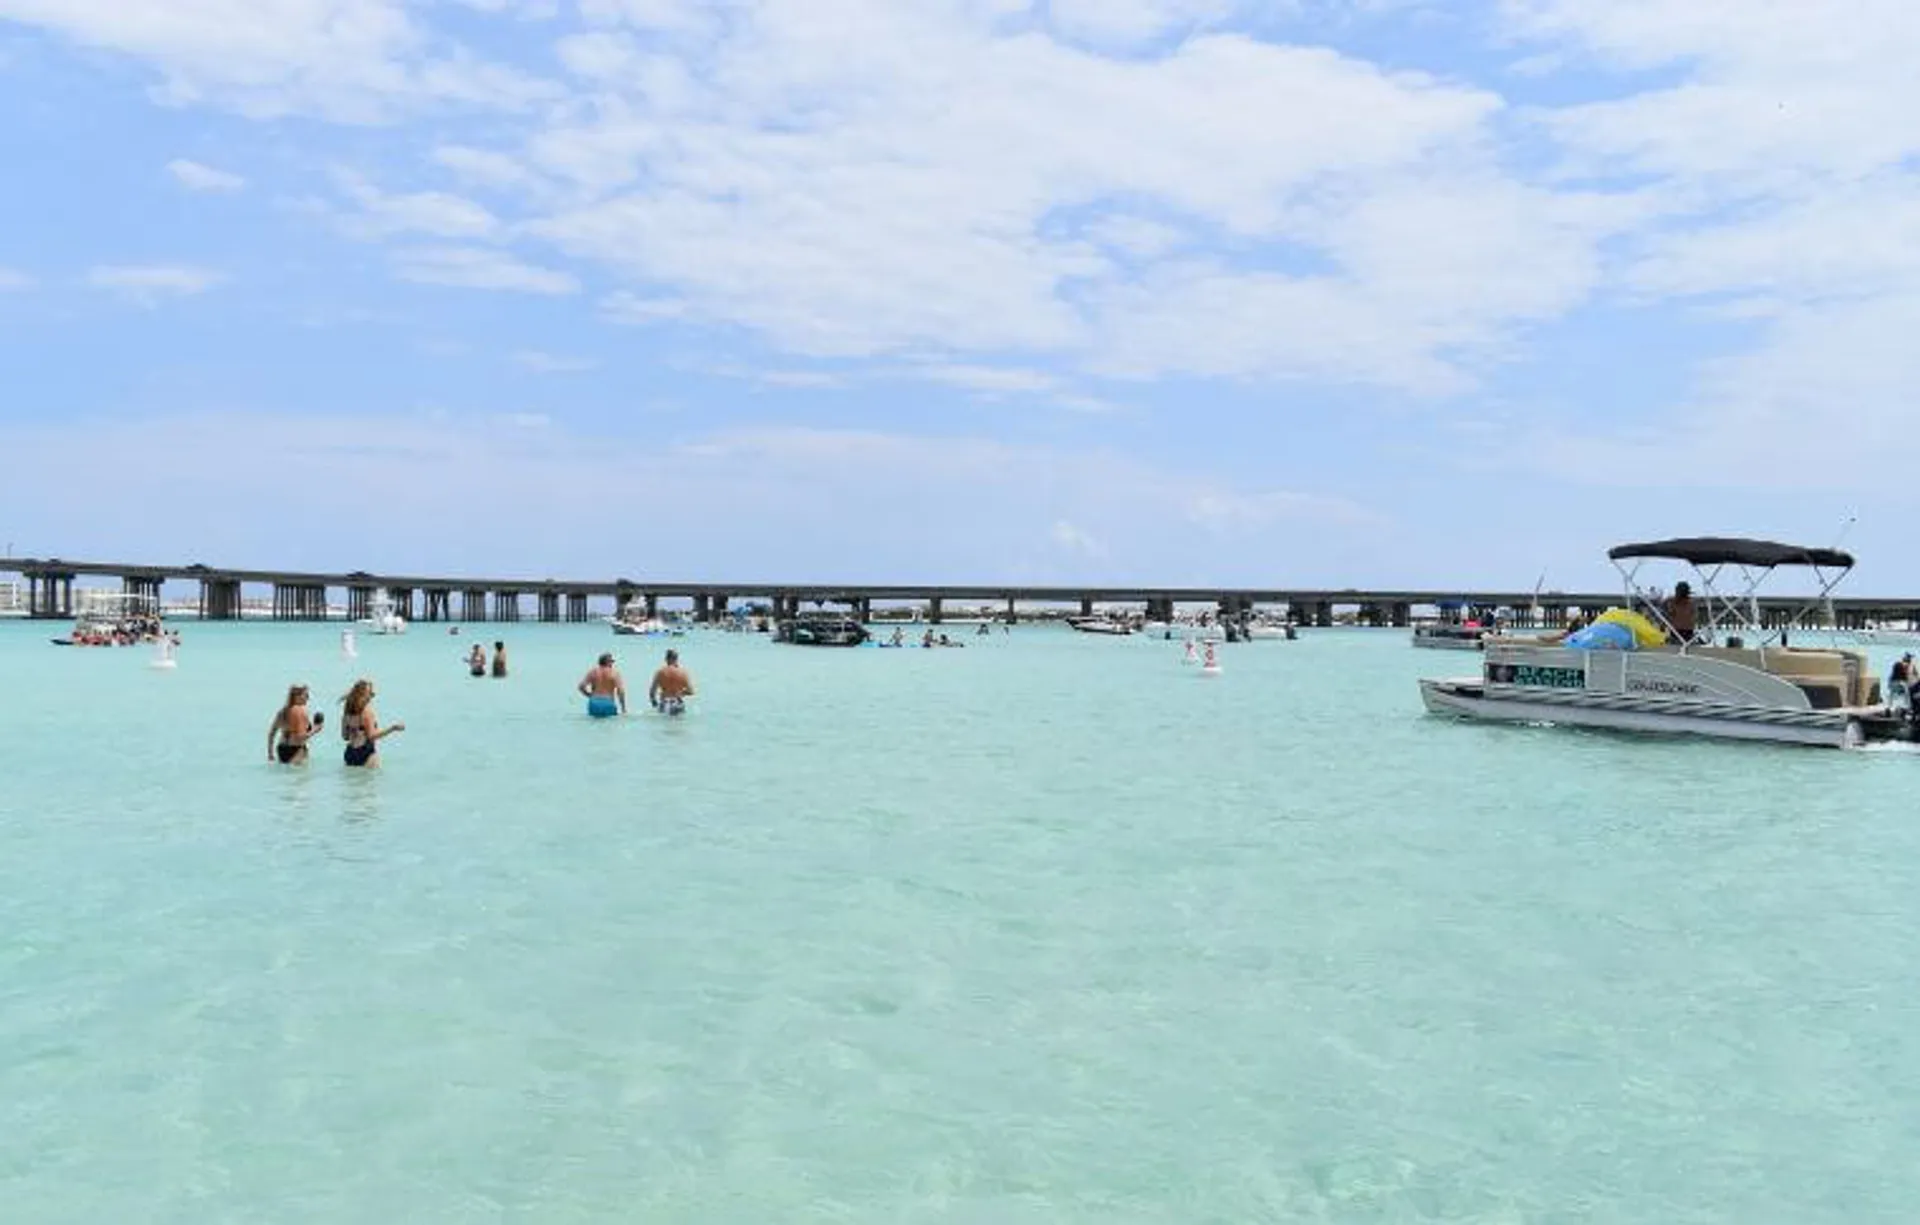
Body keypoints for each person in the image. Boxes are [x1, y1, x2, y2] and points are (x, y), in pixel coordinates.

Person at [339, 678, 403, 768]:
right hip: (366, 752)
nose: (373, 695)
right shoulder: (367, 712)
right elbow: (372, 736)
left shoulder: (347, 713)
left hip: (350, 753)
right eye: (370, 693)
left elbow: (345, 737)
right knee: (371, 781)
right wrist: (392, 728)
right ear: (363, 695)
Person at [266, 684, 323, 765]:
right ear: (297, 696)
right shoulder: (300, 711)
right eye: (306, 695)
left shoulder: (282, 712)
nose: (308, 698)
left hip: (281, 749)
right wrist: (316, 729)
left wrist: (270, 753)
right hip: (296, 750)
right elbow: (300, 737)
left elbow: (271, 733)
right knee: (300, 776)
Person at [649, 648, 695, 716]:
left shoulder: (660, 672)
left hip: (665, 702)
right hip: (677, 702)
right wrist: (680, 693)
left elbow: (652, 693)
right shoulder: (683, 673)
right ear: (676, 659)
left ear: (666, 659)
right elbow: (691, 691)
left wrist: (654, 703)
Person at [580, 652, 626, 718]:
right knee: (610, 725)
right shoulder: (614, 673)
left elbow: (581, 686)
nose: (612, 664)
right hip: (608, 702)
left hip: (594, 702)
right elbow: (621, 691)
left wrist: (589, 695)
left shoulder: (592, 672)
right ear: (607, 662)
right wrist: (623, 708)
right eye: (611, 662)